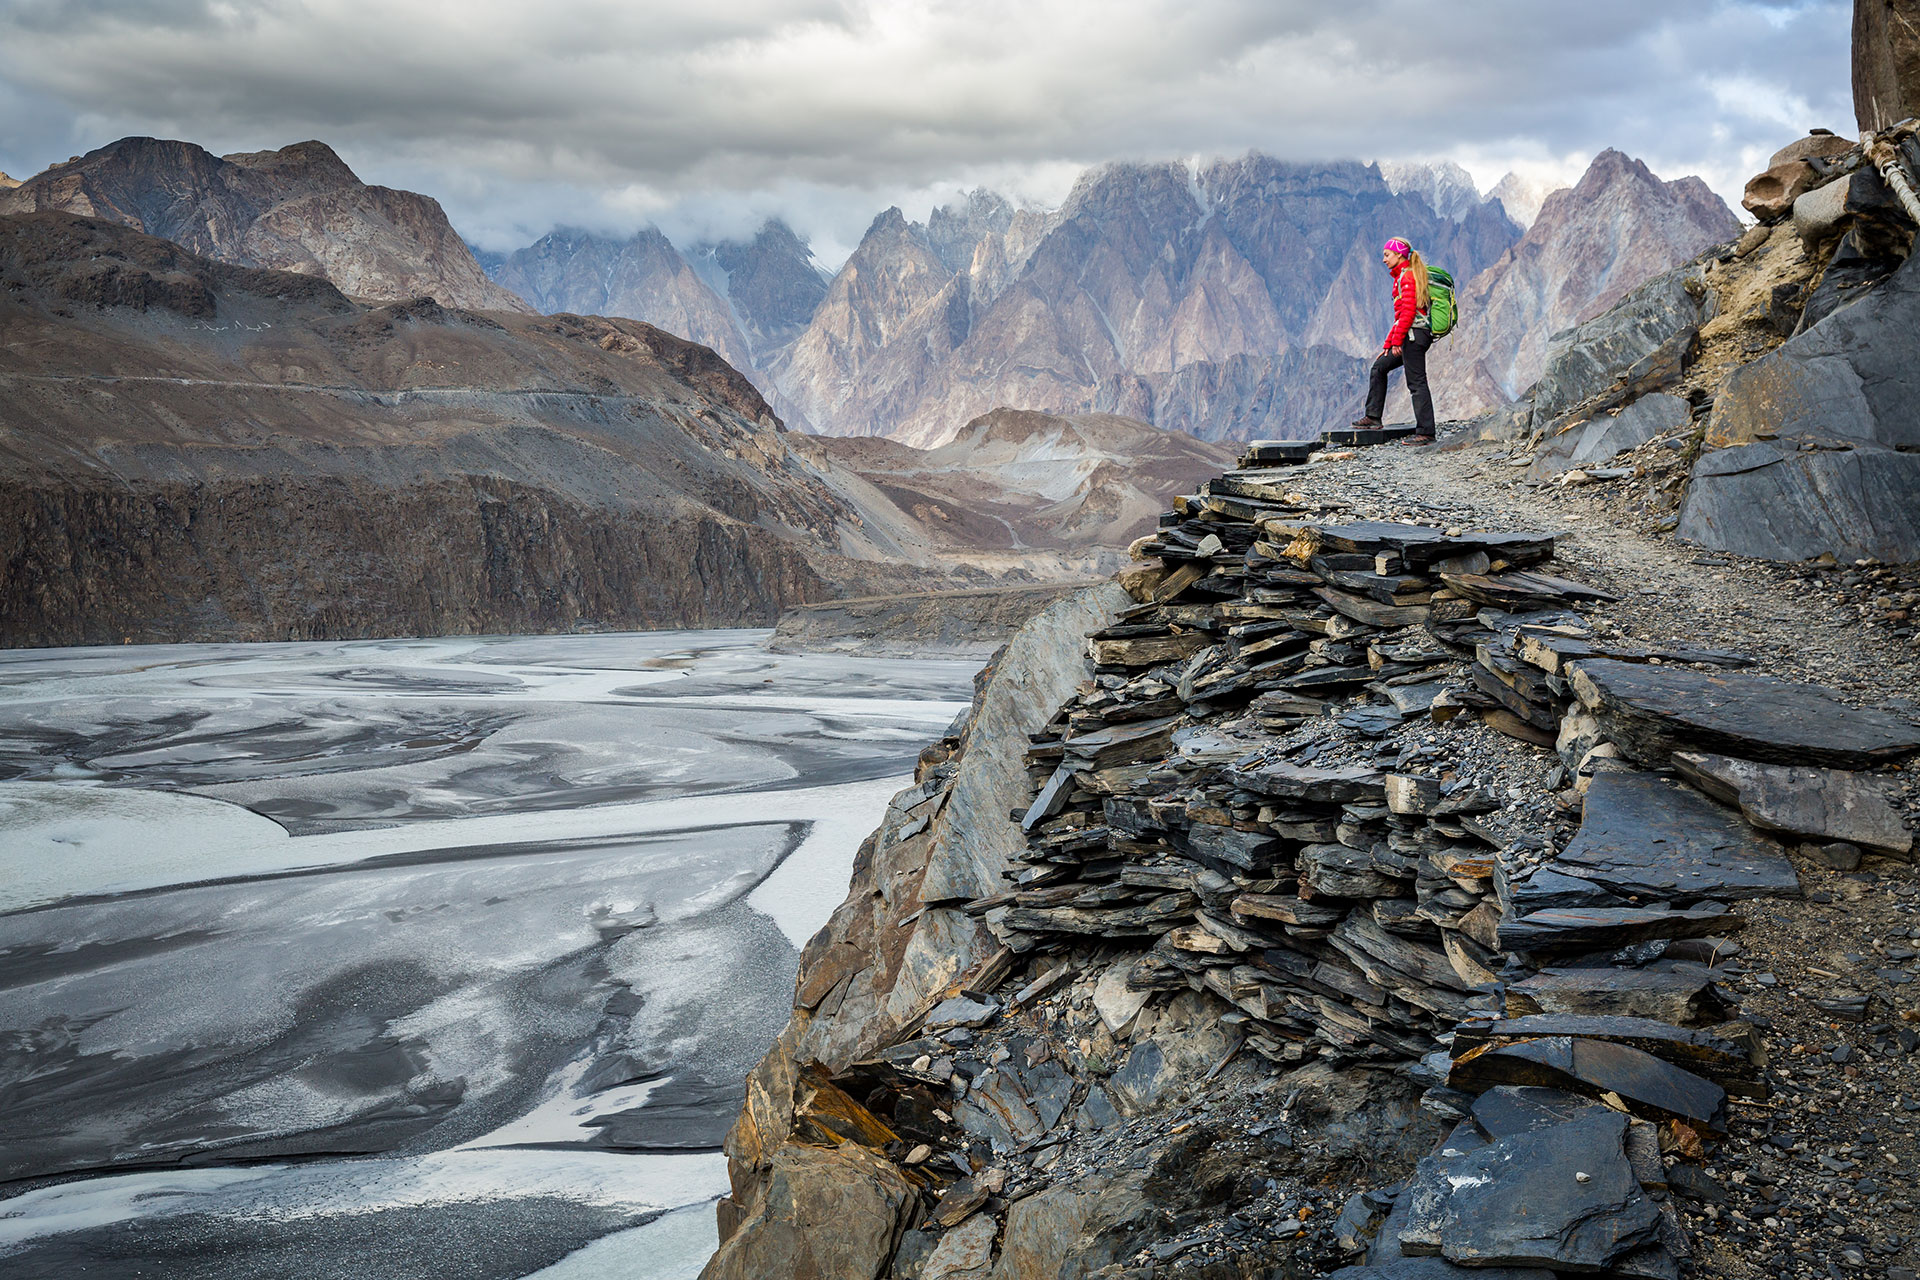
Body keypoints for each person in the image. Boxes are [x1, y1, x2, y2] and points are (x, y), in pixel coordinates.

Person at [1350, 237, 1436, 445]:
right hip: (1409, 334)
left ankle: (1426, 433)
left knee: (1416, 382)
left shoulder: (1407, 278)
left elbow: (1407, 314)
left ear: (1399, 255)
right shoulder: (1402, 277)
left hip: (1414, 335)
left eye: (1387, 255)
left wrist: (1397, 342)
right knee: (1379, 367)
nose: (1384, 259)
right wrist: (1388, 345)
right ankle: (1373, 417)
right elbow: (1399, 319)